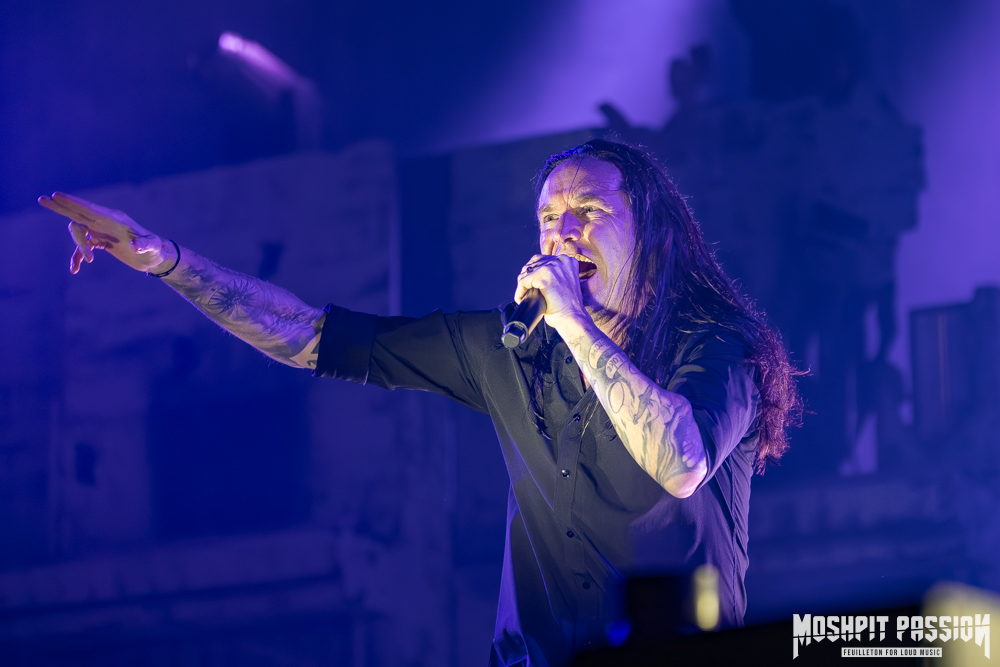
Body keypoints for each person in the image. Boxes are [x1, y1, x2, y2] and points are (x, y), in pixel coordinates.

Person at [39, 139, 801, 666]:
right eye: (548, 218)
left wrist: (573, 321)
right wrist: (167, 261)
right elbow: (309, 334)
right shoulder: (508, 350)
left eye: (589, 213)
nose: (563, 236)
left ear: (654, 237)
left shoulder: (717, 344)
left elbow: (680, 462)